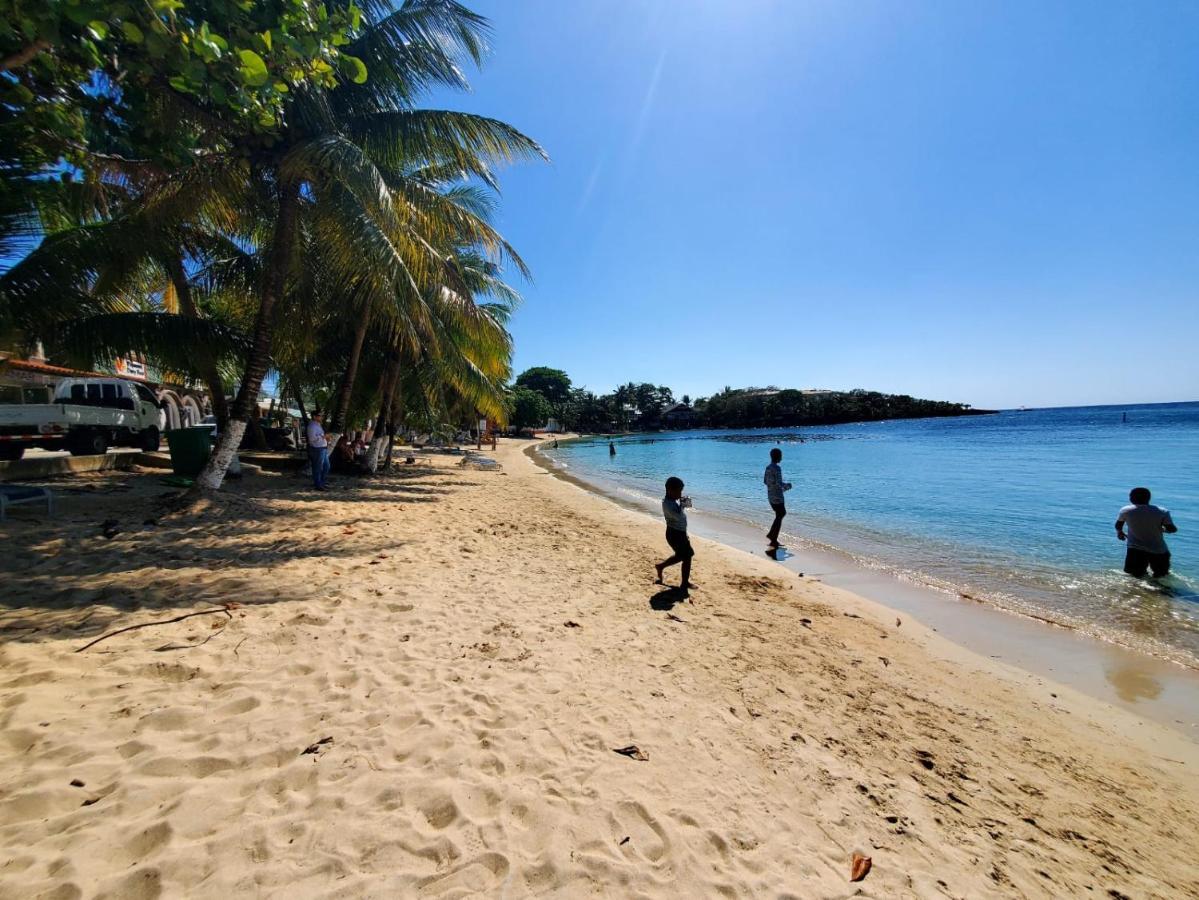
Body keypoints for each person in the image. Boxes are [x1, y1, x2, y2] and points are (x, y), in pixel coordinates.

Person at [1116, 487, 1177, 577]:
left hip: (1135, 549)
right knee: (1161, 575)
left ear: (1132, 498)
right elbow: (1172, 529)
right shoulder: (1162, 511)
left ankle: (1136, 590)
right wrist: (1163, 529)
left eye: (1130, 496)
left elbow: (1118, 525)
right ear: (1148, 498)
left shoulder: (1126, 510)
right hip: (1158, 549)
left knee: (1136, 576)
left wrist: (1119, 533)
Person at [655, 476, 695, 592]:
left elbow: (680, 516)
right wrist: (682, 505)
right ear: (669, 490)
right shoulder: (667, 504)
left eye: (681, 490)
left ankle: (661, 566)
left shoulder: (672, 501)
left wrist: (683, 504)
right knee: (686, 556)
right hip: (674, 534)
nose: (680, 493)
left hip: (679, 533)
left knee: (683, 555)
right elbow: (677, 516)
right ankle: (684, 583)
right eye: (679, 491)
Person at [763, 447, 793, 548]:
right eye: (780, 456)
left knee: (779, 514)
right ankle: (773, 539)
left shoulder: (768, 467)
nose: (781, 457)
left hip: (770, 496)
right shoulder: (777, 468)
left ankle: (772, 536)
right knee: (781, 514)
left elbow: (765, 482)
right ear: (777, 457)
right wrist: (787, 486)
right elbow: (779, 483)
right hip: (777, 497)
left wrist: (778, 487)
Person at [306, 409, 330, 491]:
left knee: (326, 466)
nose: (321, 417)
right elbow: (312, 439)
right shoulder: (312, 426)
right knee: (318, 467)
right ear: (314, 417)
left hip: (322, 448)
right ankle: (318, 484)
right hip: (317, 449)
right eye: (320, 416)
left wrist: (325, 438)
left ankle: (321, 482)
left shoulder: (318, 425)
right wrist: (323, 437)